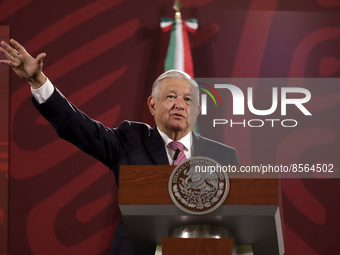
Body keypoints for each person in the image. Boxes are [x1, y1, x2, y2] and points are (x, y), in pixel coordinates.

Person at [1, 39, 239, 255]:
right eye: (170, 97)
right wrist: (38, 81)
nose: (180, 105)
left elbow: (240, 219)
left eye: (188, 100)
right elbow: (79, 127)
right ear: (152, 104)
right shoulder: (130, 139)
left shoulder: (223, 156)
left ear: (197, 111)